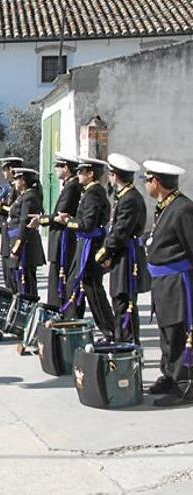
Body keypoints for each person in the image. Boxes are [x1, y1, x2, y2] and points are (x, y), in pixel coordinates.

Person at [141, 160, 193, 406]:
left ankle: (184, 386)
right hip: (162, 281)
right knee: (166, 333)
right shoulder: (165, 206)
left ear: (157, 182)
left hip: (177, 282)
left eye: (147, 180)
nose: (146, 185)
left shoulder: (183, 208)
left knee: (177, 334)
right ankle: (169, 376)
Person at [56, 157, 115, 341]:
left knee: (93, 289)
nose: (78, 174)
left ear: (90, 174)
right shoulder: (90, 192)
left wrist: (68, 221)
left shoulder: (94, 194)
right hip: (85, 245)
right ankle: (78, 324)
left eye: (82, 172)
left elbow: (88, 225)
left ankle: (109, 331)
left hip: (90, 247)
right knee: (85, 287)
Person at [95, 154, 151, 344]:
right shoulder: (125, 196)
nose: (109, 177)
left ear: (115, 175)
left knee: (124, 301)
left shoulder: (130, 199)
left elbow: (119, 233)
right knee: (119, 301)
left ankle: (128, 344)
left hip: (127, 257)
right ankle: (123, 341)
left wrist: (103, 253)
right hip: (122, 254)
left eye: (111, 174)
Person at [39, 153, 84, 311]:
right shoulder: (68, 185)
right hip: (59, 236)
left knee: (58, 275)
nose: (56, 169)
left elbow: (60, 213)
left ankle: (57, 309)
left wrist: (41, 220)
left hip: (63, 238)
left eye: (58, 166)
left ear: (66, 168)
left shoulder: (71, 187)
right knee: (56, 274)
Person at [7, 168, 45, 298]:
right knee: (18, 279)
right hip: (17, 239)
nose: (15, 182)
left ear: (23, 181)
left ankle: (28, 307)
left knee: (26, 279)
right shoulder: (23, 196)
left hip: (25, 244)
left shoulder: (30, 197)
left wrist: (18, 247)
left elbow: (24, 222)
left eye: (17, 179)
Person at [0, 157, 23, 290]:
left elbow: (15, 210)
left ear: (11, 170)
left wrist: (2, 207)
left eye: (5, 170)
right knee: (6, 268)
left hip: (14, 233)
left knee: (14, 273)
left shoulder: (20, 188)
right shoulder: (8, 188)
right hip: (6, 230)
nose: (3, 173)